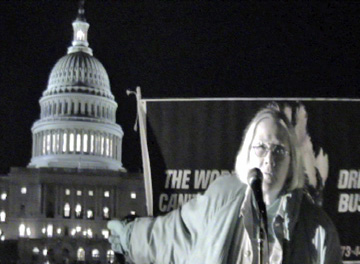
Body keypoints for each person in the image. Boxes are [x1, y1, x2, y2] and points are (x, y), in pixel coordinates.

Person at [108, 104, 342, 264]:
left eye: (279, 150)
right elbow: (172, 234)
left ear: (292, 161)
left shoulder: (318, 230)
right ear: (247, 153)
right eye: (260, 147)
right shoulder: (222, 197)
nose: (269, 159)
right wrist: (128, 235)